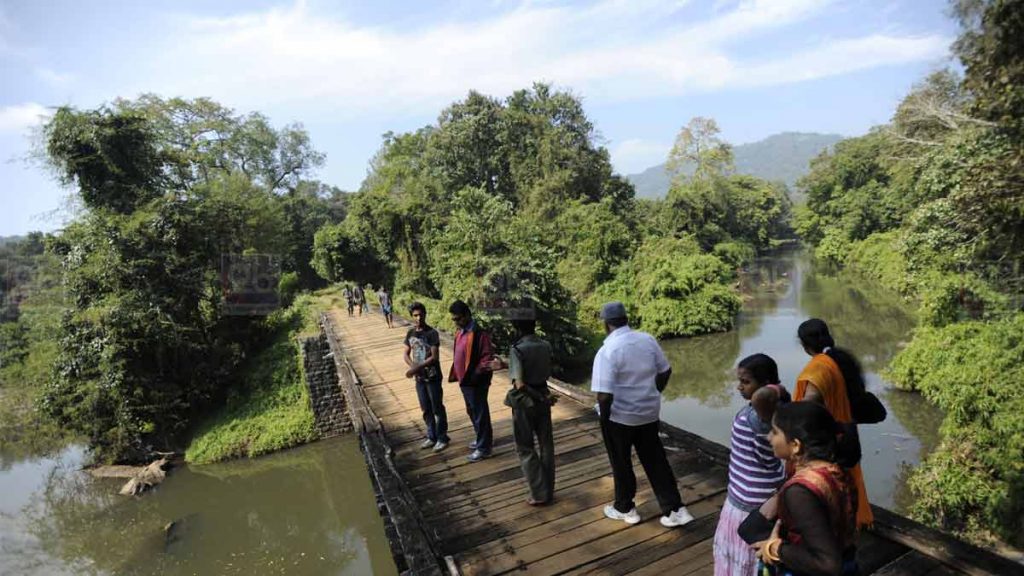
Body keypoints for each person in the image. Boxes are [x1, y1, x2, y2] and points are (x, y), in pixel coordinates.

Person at [591, 301, 693, 528]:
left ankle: (625, 508)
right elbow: (665, 371)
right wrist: (654, 392)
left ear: (606, 324)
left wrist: (604, 420)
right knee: (656, 460)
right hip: (648, 413)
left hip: (619, 417)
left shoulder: (607, 351)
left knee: (621, 461)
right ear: (626, 319)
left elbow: (604, 396)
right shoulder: (647, 340)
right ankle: (675, 509)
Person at [753, 401, 859, 576]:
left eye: (775, 432)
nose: (769, 437)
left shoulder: (799, 491)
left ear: (795, 445)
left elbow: (828, 563)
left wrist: (775, 548)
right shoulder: (839, 471)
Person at [714, 354, 790, 576]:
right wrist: (779, 389)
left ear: (765, 385)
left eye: (746, 382)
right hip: (743, 497)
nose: (739, 387)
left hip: (750, 504)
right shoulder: (774, 411)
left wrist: (776, 388)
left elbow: (761, 399)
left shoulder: (762, 416)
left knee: (744, 564)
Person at [794, 318, 873, 529]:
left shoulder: (819, 368)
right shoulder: (839, 360)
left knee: (826, 492)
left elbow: (808, 404)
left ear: (804, 345)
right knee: (842, 490)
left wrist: (786, 419)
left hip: (825, 443)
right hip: (845, 436)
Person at [491, 318, 555, 505]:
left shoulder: (517, 349)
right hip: (544, 395)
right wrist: (543, 397)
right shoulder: (545, 345)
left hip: (526, 402)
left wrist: (537, 396)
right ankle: (548, 489)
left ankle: (539, 494)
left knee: (525, 447)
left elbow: (519, 384)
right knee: (546, 445)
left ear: (517, 328)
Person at [448, 300, 494, 462]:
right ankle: (480, 438)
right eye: (454, 319)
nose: (456, 322)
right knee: (472, 411)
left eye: (458, 318)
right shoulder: (460, 332)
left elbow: (487, 357)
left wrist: (476, 373)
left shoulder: (479, 333)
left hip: (476, 381)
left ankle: (484, 448)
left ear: (467, 315)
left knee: (480, 412)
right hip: (464, 381)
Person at [403, 302, 448, 451]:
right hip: (420, 378)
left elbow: (434, 357)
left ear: (425, 315)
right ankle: (431, 436)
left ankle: (442, 437)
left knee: (437, 407)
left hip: (433, 376)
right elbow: (405, 353)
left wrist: (416, 368)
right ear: (412, 316)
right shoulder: (410, 333)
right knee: (425, 408)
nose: (418, 318)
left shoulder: (432, 333)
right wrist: (412, 367)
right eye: (415, 315)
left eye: (421, 315)